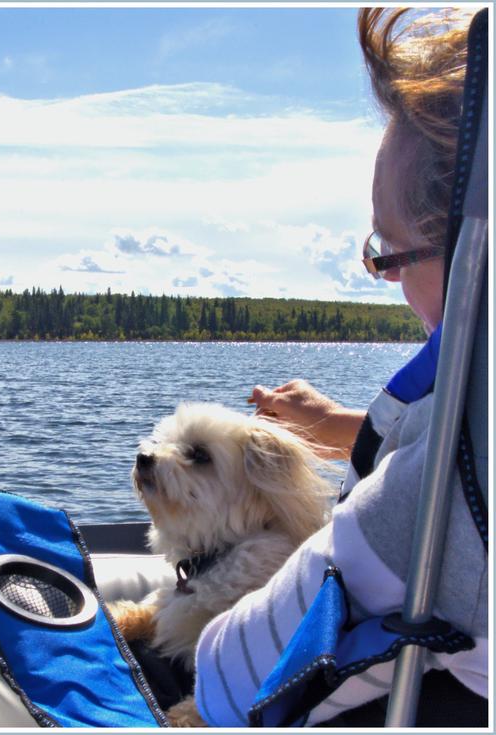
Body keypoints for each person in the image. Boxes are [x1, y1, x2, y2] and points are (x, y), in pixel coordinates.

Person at [192, 8, 487, 727]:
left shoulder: (446, 505)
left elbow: (230, 684)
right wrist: (337, 427)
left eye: (390, 254)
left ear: (476, 250)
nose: (390, 280)